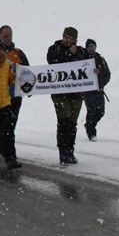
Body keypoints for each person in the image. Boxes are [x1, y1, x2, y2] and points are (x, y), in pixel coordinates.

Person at [46, 27, 88, 165]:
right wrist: (69, 54)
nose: (68, 40)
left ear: (75, 40)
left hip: (76, 94)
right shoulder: (54, 49)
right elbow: (54, 63)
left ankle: (70, 150)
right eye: (66, 37)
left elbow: (88, 65)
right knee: (64, 122)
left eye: (71, 38)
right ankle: (63, 152)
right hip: (60, 93)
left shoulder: (81, 52)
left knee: (72, 123)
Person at [83, 39, 111, 140]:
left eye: (93, 47)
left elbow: (107, 74)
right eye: (89, 47)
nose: (91, 49)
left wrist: (100, 76)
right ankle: (91, 132)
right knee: (91, 111)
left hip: (98, 90)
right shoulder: (82, 59)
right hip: (87, 91)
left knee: (100, 112)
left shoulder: (100, 59)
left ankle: (89, 125)